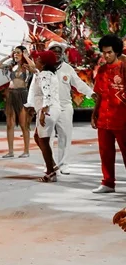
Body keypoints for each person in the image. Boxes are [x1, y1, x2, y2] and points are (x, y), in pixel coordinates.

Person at [47, 41, 94, 174]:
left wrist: (91, 93)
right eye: (53, 51)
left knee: (65, 136)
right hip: (48, 107)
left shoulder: (67, 68)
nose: (56, 54)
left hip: (65, 106)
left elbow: (78, 83)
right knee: (47, 137)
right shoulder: (43, 67)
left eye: (58, 52)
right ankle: (50, 163)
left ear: (62, 54)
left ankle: (63, 164)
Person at [91, 34, 126, 194]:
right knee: (105, 152)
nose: (106, 56)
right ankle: (108, 182)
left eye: (109, 52)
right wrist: (94, 114)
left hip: (122, 119)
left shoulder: (124, 68)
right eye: (104, 52)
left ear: (117, 52)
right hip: (104, 120)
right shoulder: (102, 70)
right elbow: (99, 94)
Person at [25, 50, 62, 183]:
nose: (36, 60)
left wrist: (43, 112)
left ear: (44, 63)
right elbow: (37, 74)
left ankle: (51, 172)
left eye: (38, 59)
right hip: (52, 109)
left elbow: (47, 94)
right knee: (38, 137)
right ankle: (52, 165)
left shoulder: (45, 75)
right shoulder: (47, 73)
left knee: (44, 141)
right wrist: (31, 68)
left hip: (47, 110)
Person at [0, 46, 33, 159]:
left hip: (22, 95)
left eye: (18, 53)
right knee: (9, 124)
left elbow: (34, 67)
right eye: (14, 53)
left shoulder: (27, 66)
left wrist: (26, 56)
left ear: (23, 53)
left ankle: (26, 150)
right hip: (11, 95)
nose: (15, 55)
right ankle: (10, 151)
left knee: (23, 124)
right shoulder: (12, 66)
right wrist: (8, 56)